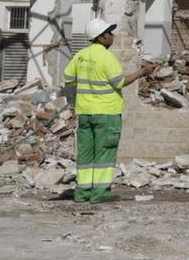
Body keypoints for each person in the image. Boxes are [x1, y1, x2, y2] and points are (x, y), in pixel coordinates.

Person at [61, 17, 158, 205]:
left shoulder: (81, 55)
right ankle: (100, 194)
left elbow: (68, 78)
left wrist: (78, 95)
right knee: (105, 155)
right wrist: (142, 72)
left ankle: (82, 194)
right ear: (101, 37)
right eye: (109, 33)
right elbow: (119, 82)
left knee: (86, 155)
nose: (112, 36)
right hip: (106, 113)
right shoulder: (107, 57)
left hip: (85, 113)